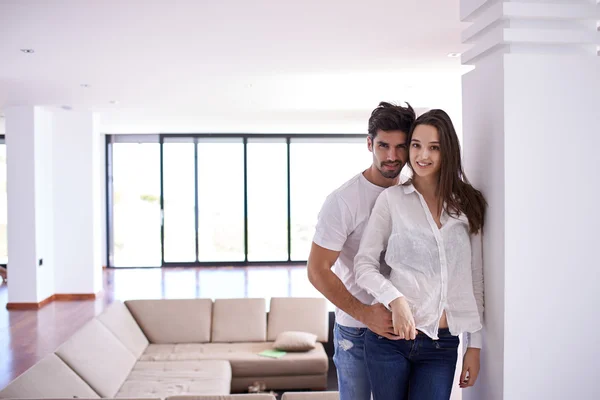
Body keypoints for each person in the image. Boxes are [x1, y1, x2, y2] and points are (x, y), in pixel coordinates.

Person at [354, 109, 486, 400]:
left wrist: (473, 346)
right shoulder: (392, 201)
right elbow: (363, 265)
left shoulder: (468, 204)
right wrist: (396, 300)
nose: (422, 155)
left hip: (442, 345)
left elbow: (474, 279)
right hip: (389, 341)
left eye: (434, 147)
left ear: (447, 150)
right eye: (416, 145)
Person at [307, 101, 416, 400]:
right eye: (383, 145)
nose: (392, 156)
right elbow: (317, 271)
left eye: (400, 146)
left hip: (405, 328)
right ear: (369, 143)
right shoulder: (343, 201)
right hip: (357, 330)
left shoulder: (414, 190)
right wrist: (365, 314)